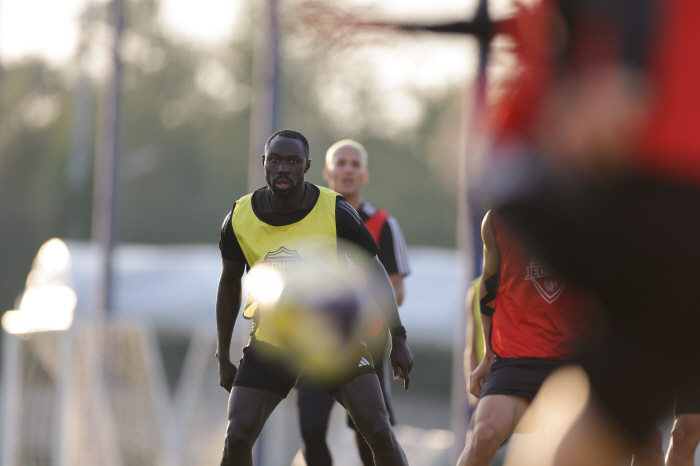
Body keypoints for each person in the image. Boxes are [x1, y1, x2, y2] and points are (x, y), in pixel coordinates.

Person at [215, 129, 413, 466]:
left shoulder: (333, 209)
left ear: (306, 166)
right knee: (237, 435)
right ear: (264, 164)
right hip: (272, 343)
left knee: (377, 430)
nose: (283, 168)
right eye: (275, 160)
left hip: (336, 339)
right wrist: (223, 354)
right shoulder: (240, 217)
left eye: (293, 161)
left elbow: (374, 268)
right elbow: (230, 282)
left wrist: (398, 337)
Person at [294, 139, 411, 466]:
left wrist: (357, 300)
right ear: (326, 172)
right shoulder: (306, 220)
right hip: (316, 342)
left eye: (355, 164)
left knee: (370, 430)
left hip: (366, 341)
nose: (348, 169)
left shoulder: (384, 224)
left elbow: (397, 289)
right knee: (311, 429)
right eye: (341, 163)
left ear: (365, 174)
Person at [455, 209, 595, 466]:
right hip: (515, 359)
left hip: (575, 362)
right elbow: (489, 284)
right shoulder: (499, 218)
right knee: (483, 434)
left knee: (646, 442)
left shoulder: (590, 211)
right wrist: (488, 354)